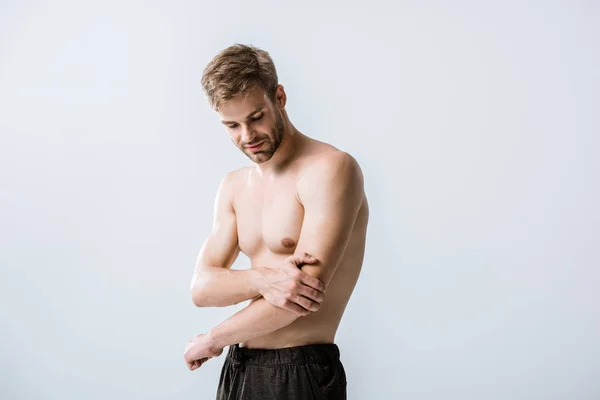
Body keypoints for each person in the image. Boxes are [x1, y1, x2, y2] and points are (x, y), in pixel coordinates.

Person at [184, 43, 369, 400]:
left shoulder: (330, 170)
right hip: (239, 368)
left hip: (299, 373)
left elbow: (298, 298)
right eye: (232, 125)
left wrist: (212, 340)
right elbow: (202, 288)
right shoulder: (234, 186)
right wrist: (265, 279)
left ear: (279, 97)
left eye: (256, 117)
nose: (247, 136)